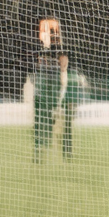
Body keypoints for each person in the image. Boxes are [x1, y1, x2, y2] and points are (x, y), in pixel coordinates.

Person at [30, 17, 79, 161]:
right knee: (51, 118)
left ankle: (48, 150)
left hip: (56, 81)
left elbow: (62, 64)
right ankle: (44, 150)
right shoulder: (54, 30)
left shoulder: (53, 35)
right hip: (52, 81)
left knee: (53, 118)